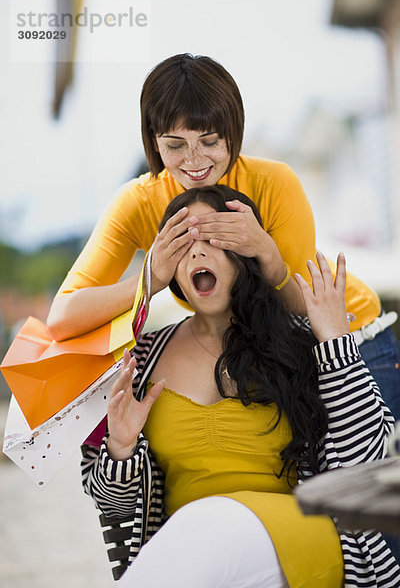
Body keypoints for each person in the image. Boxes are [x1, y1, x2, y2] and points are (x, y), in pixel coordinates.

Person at [47, 53, 400, 424]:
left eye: (210, 140)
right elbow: (63, 318)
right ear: (153, 142)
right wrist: (151, 278)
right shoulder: (138, 202)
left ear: (235, 130)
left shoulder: (274, 182)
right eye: (175, 145)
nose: (195, 160)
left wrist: (266, 253)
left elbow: (308, 310)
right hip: (270, 358)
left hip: (353, 340)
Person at [82, 186, 399, 587]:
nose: (197, 253)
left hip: (302, 537)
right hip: (193, 556)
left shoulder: (301, 341)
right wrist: (121, 449)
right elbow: (115, 507)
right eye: (182, 243)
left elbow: (368, 465)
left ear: (244, 253)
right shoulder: (139, 358)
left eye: (214, 239)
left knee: (208, 521)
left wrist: (336, 341)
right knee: (197, 531)